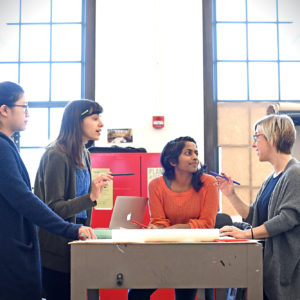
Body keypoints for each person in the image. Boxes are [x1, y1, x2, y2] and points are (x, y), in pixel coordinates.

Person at [0, 81, 97, 300]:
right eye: (23, 107)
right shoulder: (2, 147)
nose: (28, 113)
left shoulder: (7, 145)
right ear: (4, 110)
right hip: (14, 251)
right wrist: (69, 229)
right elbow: (24, 199)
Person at [34, 99, 112, 300]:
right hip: (56, 253)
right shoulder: (56, 155)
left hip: (76, 246)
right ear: (77, 122)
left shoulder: (85, 154)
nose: (101, 124)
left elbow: (81, 209)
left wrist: (91, 194)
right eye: (95, 118)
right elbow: (53, 209)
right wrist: (91, 197)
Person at [217, 114, 300, 300]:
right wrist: (231, 194)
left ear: (274, 137)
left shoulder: (295, 173)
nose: (253, 144)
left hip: (285, 269)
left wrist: (246, 234)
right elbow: (254, 216)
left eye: (257, 137)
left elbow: (286, 219)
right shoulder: (271, 178)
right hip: (265, 265)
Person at [128, 136, 219, 300]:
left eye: (196, 152)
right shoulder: (156, 185)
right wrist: (158, 228)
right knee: (136, 294)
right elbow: (159, 222)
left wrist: (174, 229)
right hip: (164, 251)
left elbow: (207, 224)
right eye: (188, 153)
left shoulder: (209, 183)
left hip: (197, 252)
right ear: (172, 161)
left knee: (185, 295)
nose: (195, 157)